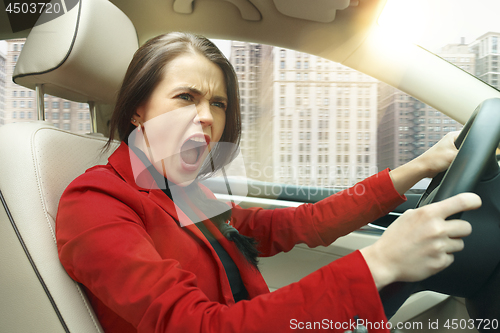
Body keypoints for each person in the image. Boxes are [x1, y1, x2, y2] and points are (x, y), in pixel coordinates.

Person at [56, 32, 481, 333]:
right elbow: (197, 326)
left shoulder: (186, 193)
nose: (207, 117)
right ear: (137, 110)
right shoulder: (96, 202)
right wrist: (379, 263)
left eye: (217, 103)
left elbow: (294, 225)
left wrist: (417, 167)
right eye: (186, 97)